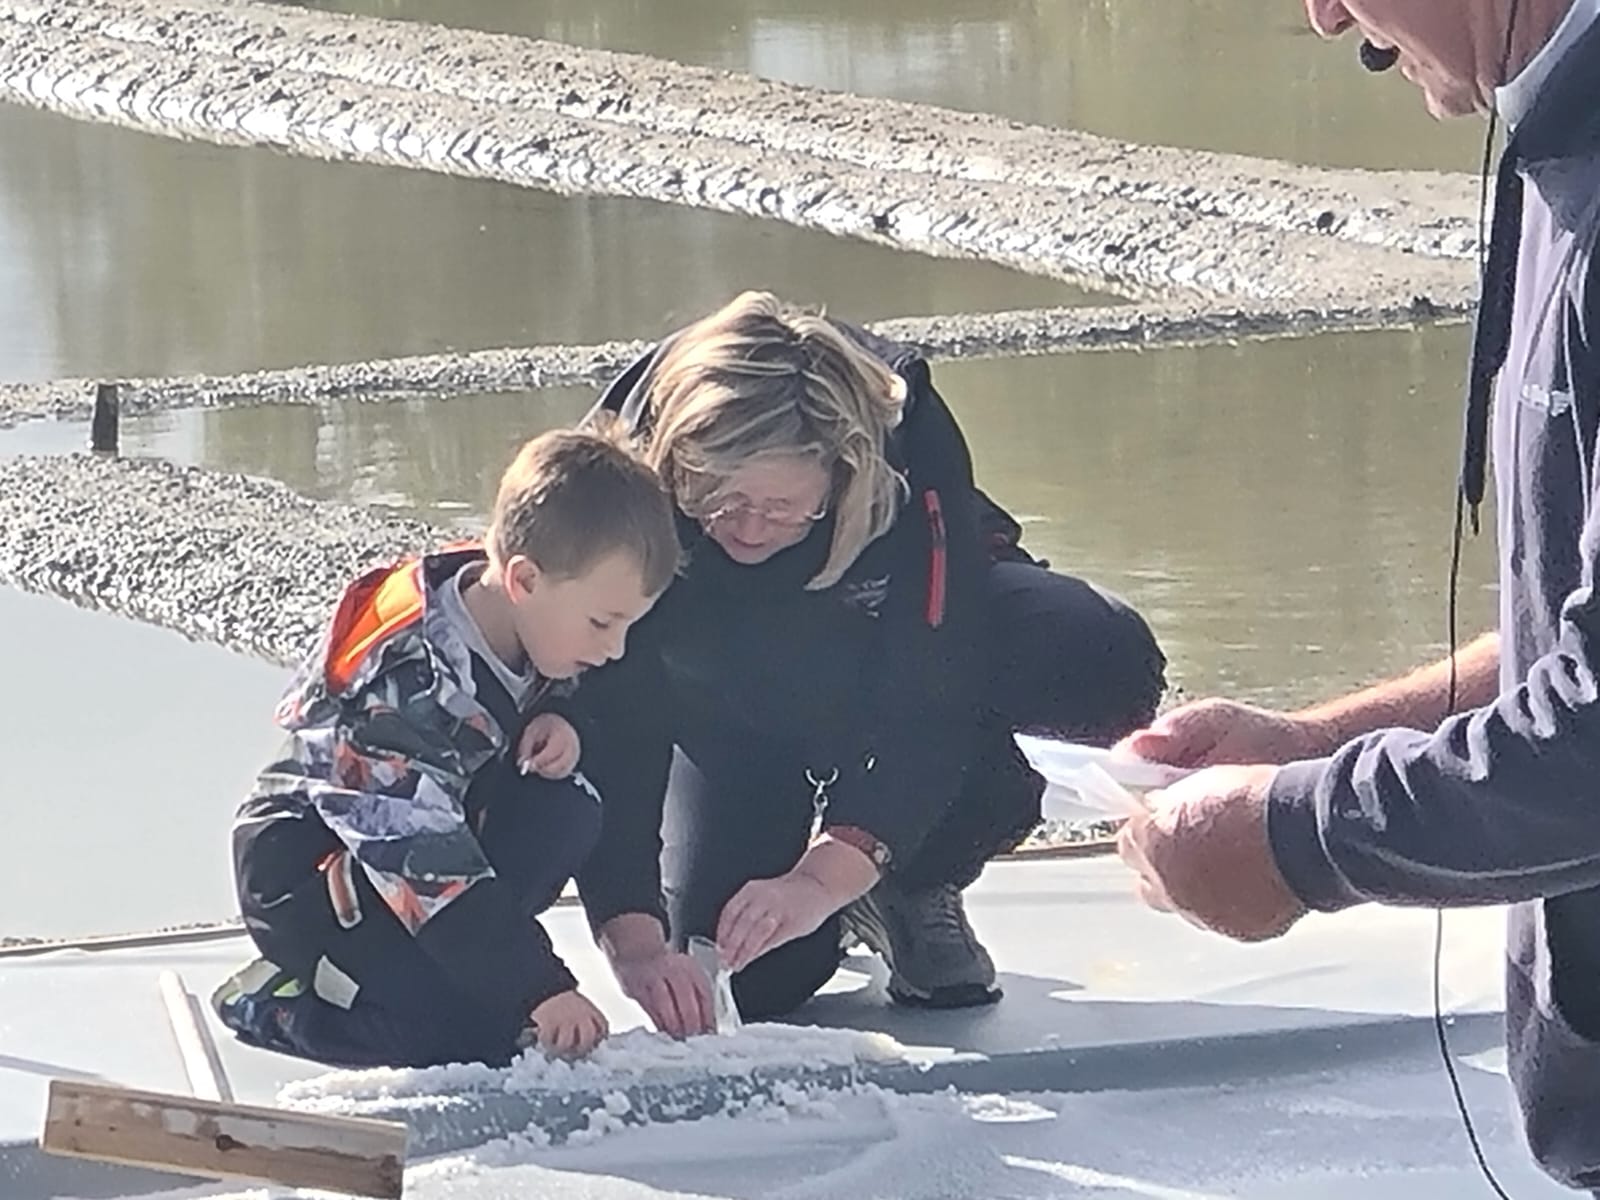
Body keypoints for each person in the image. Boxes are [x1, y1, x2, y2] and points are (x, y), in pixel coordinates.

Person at [1115, 0, 1600, 1191]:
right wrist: (1320, 743)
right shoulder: (1553, 133)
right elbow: (1568, 635)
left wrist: (1300, 832)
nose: (1326, 16)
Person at [571, 291, 1167, 1033]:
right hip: (726, 704)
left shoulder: (904, 435)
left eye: (783, 505)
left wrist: (832, 870)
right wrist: (630, 936)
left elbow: (938, 677)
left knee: (1096, 652)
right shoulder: (620, 463)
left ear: (843, 471)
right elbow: (599, 710)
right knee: (752, 983)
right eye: (718, 500)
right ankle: (822, 893)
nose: (749, 527)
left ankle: (911, 883)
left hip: (880, 659)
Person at [212, 427, 681, 1068]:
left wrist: (563, 717)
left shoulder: (527, 609)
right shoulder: (405, 686)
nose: (614, 647)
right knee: (460, 1040)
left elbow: (560, 699)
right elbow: (427, 867)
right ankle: (279, 1000)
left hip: (431, 840)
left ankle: (451, 974)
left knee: (568, 802)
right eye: (603, 624)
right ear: (523, 579)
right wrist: (539, 986)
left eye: (628, 625)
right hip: (311, 874)